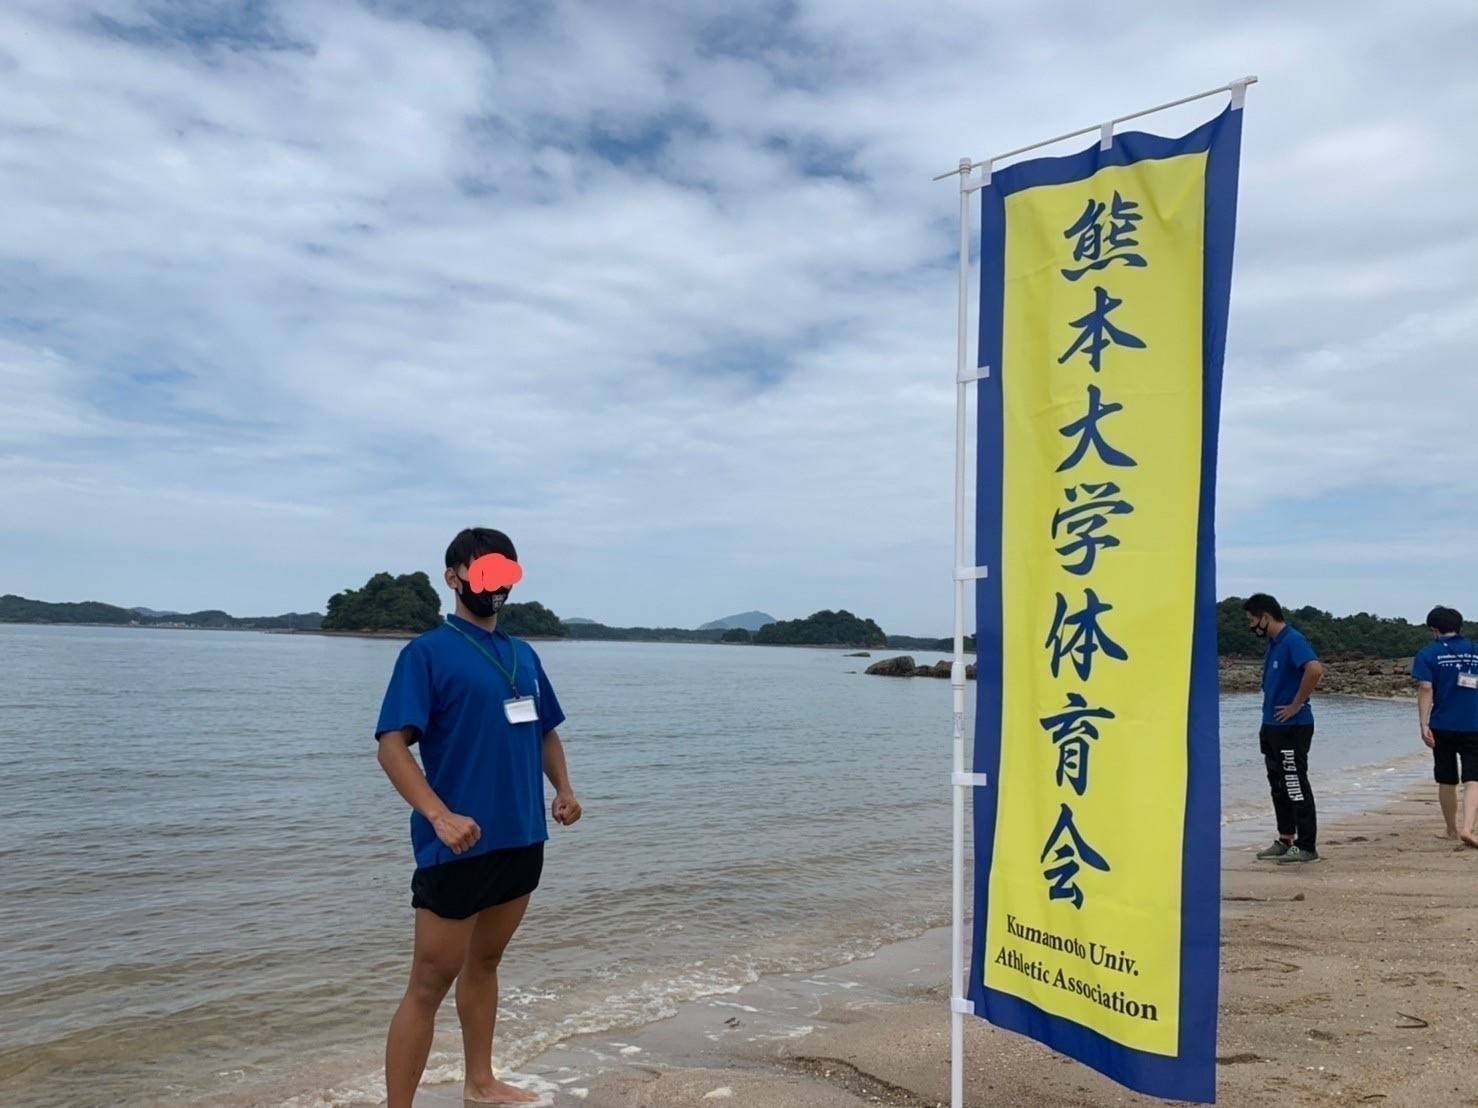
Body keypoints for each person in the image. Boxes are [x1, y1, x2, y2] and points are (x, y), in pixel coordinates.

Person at [374, 527, 582, 1107]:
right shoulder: (426, 653)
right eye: (483, 571)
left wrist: (564, 789)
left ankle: (481, 1082)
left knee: (486, 962)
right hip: (458, 844)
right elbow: (392, 746)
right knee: (428, 982)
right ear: (454, 577)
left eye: (505, 572)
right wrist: (438, 816)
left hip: (522, 837)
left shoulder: (524, 654)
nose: (495, 584)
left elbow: (545, 732)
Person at [1245, 594, 1325, 864]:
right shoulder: (1273, 644)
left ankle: (1307, 846)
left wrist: (1296, 704)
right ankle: (1286, 838)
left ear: (1265, 617)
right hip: (1271, 726)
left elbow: (1314, 669)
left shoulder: (1293, 640)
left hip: (1293, 727)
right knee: (1277, 784)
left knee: (1294, 783)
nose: (1251, 626)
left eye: (1252, 620)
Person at [1411, 605, 1478, 847]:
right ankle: (1468, 828)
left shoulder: (1428, 654)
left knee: (1447, 778)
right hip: (1474, 724)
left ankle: (1451, 829)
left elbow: (1425, 688)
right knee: (1473, 778)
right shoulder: (1475, 650)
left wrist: (1423, 724)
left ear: (1434, 629)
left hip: (1442, 724)